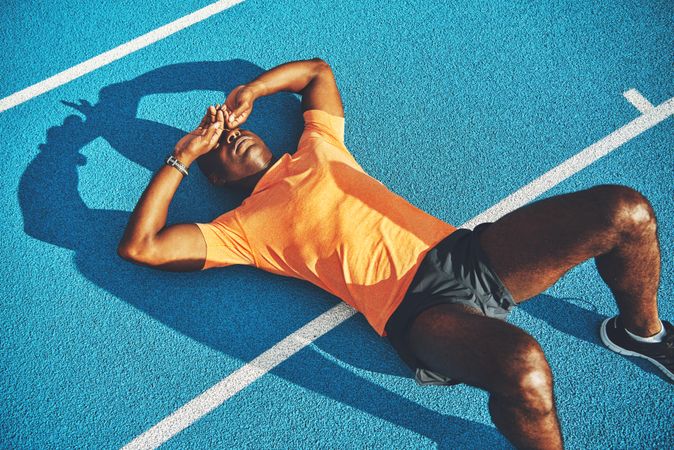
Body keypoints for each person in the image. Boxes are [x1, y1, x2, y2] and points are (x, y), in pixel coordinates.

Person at [117, 58, 672, 449]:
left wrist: (253, 92)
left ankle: (639, 334)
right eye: (217, 149)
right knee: (523, 368)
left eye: (229, 131)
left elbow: (316, 72)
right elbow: (142, 245)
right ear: (215, 178)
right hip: (420, 313)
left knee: (626, 213)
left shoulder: (318, 147)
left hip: (466, 255)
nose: (228, 137)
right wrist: (183, 152)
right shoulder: (239, 228)